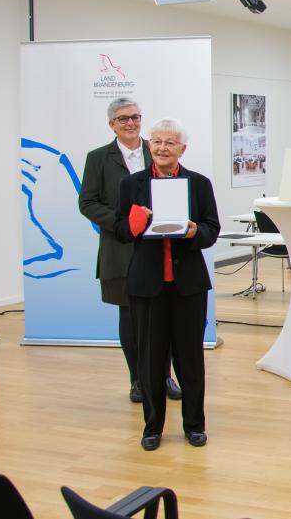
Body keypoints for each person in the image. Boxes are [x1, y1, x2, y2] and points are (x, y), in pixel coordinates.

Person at [115, 118, 220, 451]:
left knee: (190, 358)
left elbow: (211, 230)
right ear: (149, 145)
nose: (162, 148)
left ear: (182, 149)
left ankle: (194, 425)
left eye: (169, 143)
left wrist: (193, 232)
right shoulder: (131, 185)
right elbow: (119, 230)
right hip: (147, 285)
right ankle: (152, 427)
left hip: (188, 285)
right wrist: (132, 223)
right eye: (157, 141)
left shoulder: (199, 184)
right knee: (150, 359)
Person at [78, 98, 182, 404]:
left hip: (160, 248)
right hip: (120, 247)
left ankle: (163, 376)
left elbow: (177, 185)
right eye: (123, 119)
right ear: (112, 124)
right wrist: (124, 224)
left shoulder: (158, 149)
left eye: (136, 117)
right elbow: (88, 202)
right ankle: (138, 380)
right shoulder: (98, 158)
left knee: (163, 316)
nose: (131, 123)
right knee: (131, 317)